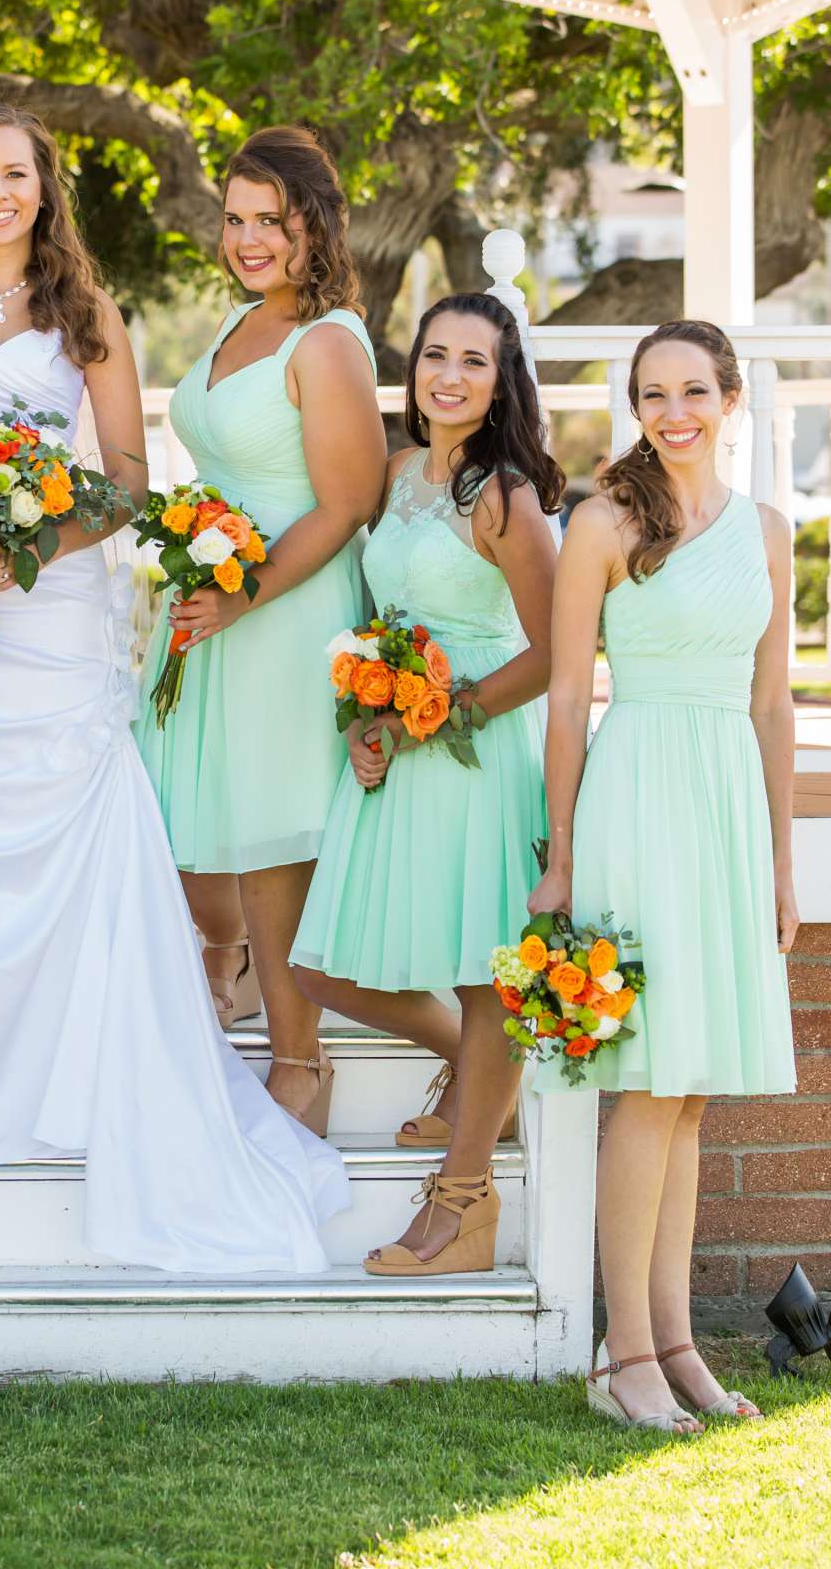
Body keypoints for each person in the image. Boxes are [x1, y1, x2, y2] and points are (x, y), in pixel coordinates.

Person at [0, 103, 347, 1273]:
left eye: (20, 175)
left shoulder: (90, 313)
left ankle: (72, 1081)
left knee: (60, 833)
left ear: (48, 190)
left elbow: (131, 476)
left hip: (53, 615)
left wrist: (31, 539)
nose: (1, 193)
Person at [527, 320, 799, 1431]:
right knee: (644, 1083)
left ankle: (676, 1340)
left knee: (687, 1091)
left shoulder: (770, 532)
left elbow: (773, 706)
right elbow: (564, 701)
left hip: (726, 806)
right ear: (634, 403)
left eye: (695, 390)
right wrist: (560, 853)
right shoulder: (601, 523)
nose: (674, 411)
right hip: (636, 796)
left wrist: (782, 861)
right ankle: (620, 1354)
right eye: (653, 393)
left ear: (731, 398)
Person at [290, 290, 562, 1275]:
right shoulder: (403, 472)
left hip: (477, 748)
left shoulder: (505, 497)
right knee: (320, 967)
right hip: (401, 745)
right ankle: (481, 1069)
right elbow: (384, 620)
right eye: (435, 355)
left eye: (474, 361)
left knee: (486, 968)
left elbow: (558, 652)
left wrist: (443, 716)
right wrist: (372, 719)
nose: (449, 375)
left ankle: (461, 1202)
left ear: (502, 382)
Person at [131, 126, 387, 1134]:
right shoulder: (244, 319)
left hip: (286, 613)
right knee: (198, 838)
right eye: (234, 220)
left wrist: (245, 593)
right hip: (216, 603)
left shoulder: (324, 340)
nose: (247, 240)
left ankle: (301, 1066)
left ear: (313, 227)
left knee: (274, 850)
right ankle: (222, 973)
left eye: (269, 223)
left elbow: (349, 498)